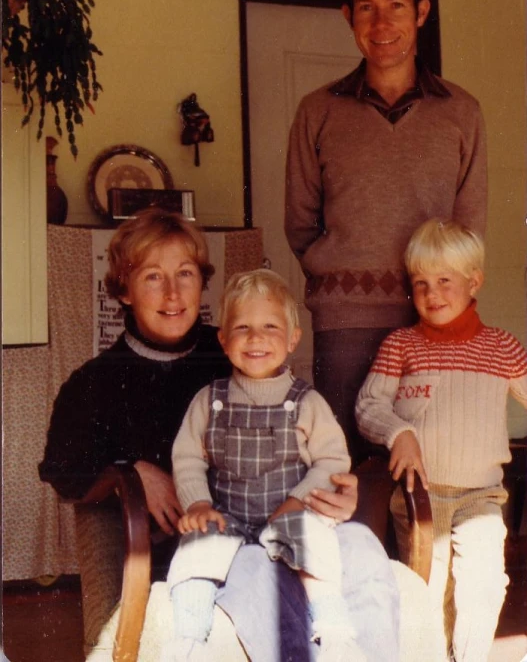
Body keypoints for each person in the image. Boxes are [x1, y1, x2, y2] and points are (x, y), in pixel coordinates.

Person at [39, 207, 400, 662]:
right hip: (205, 547)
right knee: (261, 575)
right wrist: (132, 472)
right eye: (153, 276)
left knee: (362, 547)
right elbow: (60, 469)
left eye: (185, 273)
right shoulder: (94, 382)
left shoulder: (236, 348)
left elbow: (313, 442)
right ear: (124, 290)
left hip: (287, 522)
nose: (173, 293)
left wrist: (330, 493)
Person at [284, 0, 487, 463]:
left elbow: (468, 229)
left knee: (428, 465)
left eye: (396, 5)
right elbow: (300, 223)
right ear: (349, 16)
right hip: (344, 322)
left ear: (421, 12)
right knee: (342, 464)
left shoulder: (461, 112)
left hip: (435, 320)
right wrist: (343, 277)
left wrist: (441, 295)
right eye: (366, 7)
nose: (381, 22)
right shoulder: (318, 111)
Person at [165, 269, 361, 661]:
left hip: (288, 514)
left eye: (270, 326)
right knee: (193, 555)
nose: (255, 338)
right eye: (242, 327)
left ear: (293, 338)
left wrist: (300, 500)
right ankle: (187, 639)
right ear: (223, 340)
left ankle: (336, 635)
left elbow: (332, 461)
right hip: (226, 516)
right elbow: (186, 458)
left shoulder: (306, 402)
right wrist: (198, 504)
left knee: (317, 548)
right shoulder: (210, 399)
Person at [356, 218, 527, 662]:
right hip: (420, 497)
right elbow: (369, 406)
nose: (432, 295)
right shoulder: (402, 345)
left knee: (483, 584)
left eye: (445, 281)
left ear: (475, 282)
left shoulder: (502, 347)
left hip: (481, 495)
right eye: (421, 283)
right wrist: (401, 432)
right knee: (427, 595)